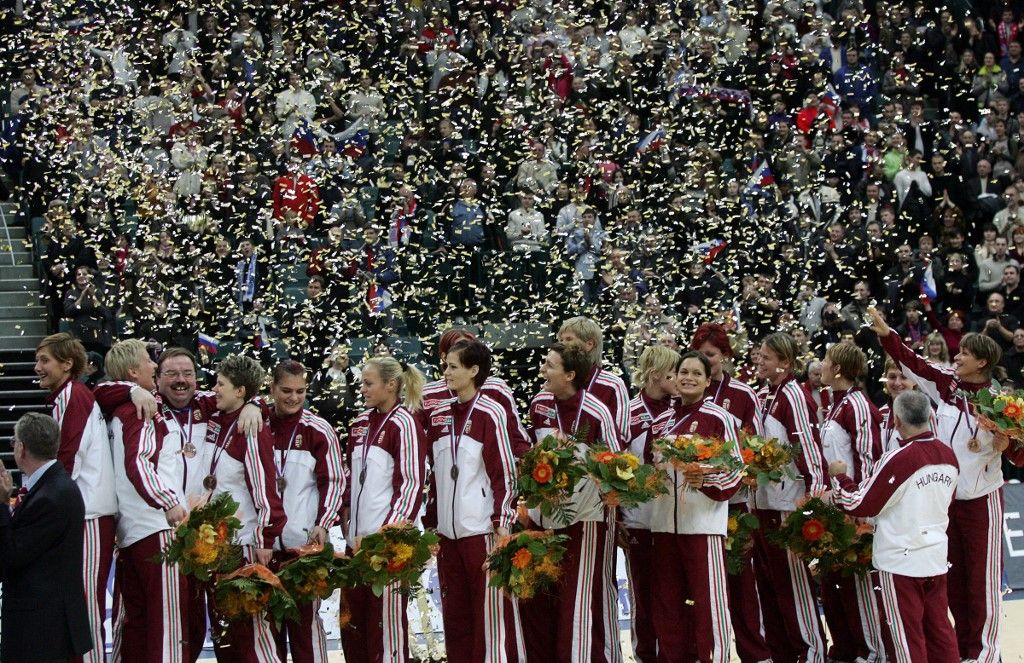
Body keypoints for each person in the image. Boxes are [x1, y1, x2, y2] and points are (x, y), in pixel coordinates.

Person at [867, 307, 1022, 663]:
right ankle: (960, 650)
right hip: (946, 503)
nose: (958, 355)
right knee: (953, 581)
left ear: (982, 362)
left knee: (981, 584)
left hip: (983, 500)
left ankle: (983, 654)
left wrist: (1007, 445)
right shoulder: (948, 384)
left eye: (965, 353)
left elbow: (1020, 452)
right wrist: (887, 334)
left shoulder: (1002, 403)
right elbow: (913, 362)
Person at [830, 390, 960, 663]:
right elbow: (950, 500)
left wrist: (840, 478)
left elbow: (861, 505)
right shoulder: (950, 456)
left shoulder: (901, 458)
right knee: (940, 632)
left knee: (905, 639)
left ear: (896, 421)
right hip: (935, 555)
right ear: (929, 417)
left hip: (900, 561)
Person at [520, 341, 622, 663]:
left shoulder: (595, 411)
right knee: (540, 602)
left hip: (585, 520)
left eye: (550, 365)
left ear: (570, 374)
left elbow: (618, 465)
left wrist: (604, 482)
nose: (542, 370)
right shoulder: (539, 404)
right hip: (543, 519)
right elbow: (529, 457)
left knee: (575, 605)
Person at [423, 339, 522, 663]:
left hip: (482, 532)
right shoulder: (439, 415)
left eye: (453, 366)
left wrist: (502, 523)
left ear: (474, 370)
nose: (445, 372)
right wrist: (431, 524)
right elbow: (435, 478)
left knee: (490, 621)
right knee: (455, 619)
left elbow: (503, 473)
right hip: (447, 537)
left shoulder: (489, 413)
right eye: (446, 365)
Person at [647, 351, 744, 663]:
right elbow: (652, 470)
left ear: (706, 381)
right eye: (683, 372)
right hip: (663, 524)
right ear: (674, 377)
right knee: (667, 602)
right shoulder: (661, 422)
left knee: (708, 602)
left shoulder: (720, 418)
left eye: (696, 374)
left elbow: (737, 468)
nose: (688, 378)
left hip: (702, 525)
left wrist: (708, 480)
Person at [103, 339, 196, 662]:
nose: (154, 366)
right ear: (132, 371)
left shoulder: (120, 409)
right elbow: (138, 463)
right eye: (148, 361)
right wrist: (167, 500)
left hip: (132, 532)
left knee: (138, 625)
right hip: (157, 531)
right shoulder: (141, 411)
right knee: (168, 629)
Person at [690, 322, 773, 663]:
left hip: (736, 504)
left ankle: (755, 653)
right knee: (700, 588)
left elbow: (759, 450)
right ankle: (705, 653)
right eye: (699, 354)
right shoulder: (687, 391)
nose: (704, 362)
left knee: (740, 584)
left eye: (710, 355)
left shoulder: (743, 394)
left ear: (725, 356)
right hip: (696, 506)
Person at [34, 333, 116, 663]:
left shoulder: (75, 396)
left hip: (90, 515)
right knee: (76, 601)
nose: (37, 367)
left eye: (44, 361)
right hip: (81, 512)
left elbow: (69, 454)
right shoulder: (66, 395)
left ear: (67, 364)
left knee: (85, 602)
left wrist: (40, 501)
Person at [341, 357, 427, 663]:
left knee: (385, 629)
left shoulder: (405, 423)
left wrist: (386, 538)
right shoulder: (361, 424)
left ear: (391, 385)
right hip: (357, 545)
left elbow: (411, 484)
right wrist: (346, 507)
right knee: (353, 625)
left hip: (385, 549)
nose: (362, 388)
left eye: (368, 383)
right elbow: (353, 478)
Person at [204, 354, 286, 663]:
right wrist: (257, 403)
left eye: (221, 384)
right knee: (227, 631)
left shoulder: (251, 427)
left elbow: (264, 486)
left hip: (245, 544)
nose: (215, 389)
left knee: (254, 633)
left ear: (240, 391)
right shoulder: (222, 417)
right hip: (220, 544)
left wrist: (265, 538)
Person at [752, 332, 828, 663]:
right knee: (773, 589)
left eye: (766, 357)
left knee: (794, 589)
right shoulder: (768, 394)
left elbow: (808, 448)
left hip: (789, 506)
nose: (759, 360)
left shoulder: (794, 396)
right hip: (765, 504)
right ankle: (784, 653)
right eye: (759, 355)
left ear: (785, 363)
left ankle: (812, 653)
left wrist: (813, 498)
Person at [266, 361, 346, 663]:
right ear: (272, 388)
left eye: (300, 391)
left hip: (302, 550)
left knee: (305, 631)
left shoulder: (318, 430)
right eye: (286, 390)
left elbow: (335, 481)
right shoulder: (257, 423)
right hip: (263, 548)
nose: (293, 397)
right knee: (267, 630)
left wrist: (323, 524)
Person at [0, 413, 92, 663]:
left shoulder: (51, 496)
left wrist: (0, 504)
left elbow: (12, 554)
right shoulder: (52, 487)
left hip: (40, 628)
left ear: (21, 448)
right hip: (44, 623)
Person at [816, 342, 885, 663]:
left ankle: (872, 653)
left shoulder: (857, 405)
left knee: (858, 585)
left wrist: (863, 510)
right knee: (834, 585)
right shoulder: (834, 403)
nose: (821, 365)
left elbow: (870, 458)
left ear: (839, 369)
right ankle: (844, 650)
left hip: (855, 508)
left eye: (827, 361)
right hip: (835, 504)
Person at [623, 345, 680, 663]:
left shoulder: (682, 410)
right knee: (643, 591)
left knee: (673, 591)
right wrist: (619, 514)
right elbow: (616, 466)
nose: (680, 378)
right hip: (640, 518)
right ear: (656, 375)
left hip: (676, 517)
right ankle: (645, 653)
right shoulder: (628, 413)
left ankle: (676, 652)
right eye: (674, 373)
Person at [420, 328, 530, 457]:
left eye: (472, 350)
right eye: (461, 348)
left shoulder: (496, 388)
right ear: (445, 357)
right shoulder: (428, 394)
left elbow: (517, 437)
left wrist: (525, 461)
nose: (469, 355)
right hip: (444, 473)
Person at [558, 316, 630, 441]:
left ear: (589, 344)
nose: (561, 345)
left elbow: (622, 436)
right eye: (560, 340)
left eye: (568, 339)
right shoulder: (555, 382)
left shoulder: (613, 385)